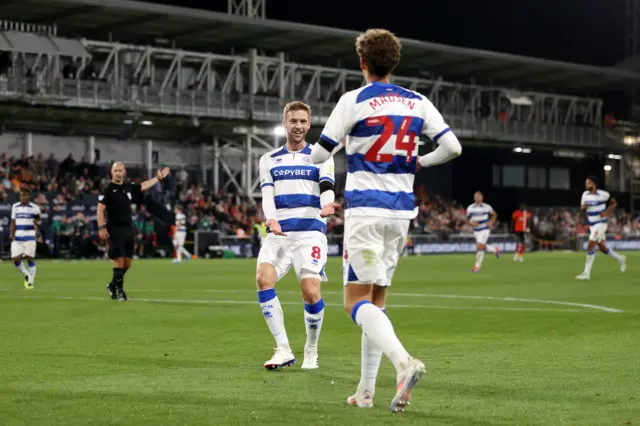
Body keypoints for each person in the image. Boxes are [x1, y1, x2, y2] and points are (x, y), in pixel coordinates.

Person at [309, 28, 462, 412]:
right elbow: (452, 147)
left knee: (353, 302)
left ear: (363, 63)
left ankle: (404, 362)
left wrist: (337, 142)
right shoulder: (417, 102)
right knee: (375, 301)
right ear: (395, 62)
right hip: (401, 211)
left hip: (366, 210)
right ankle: (365, 392)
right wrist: (419, 163)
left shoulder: (354, 100)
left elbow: (317, 155)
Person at [256, 100, 339, 371]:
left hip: (310, 233)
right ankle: (282, 349)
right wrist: (270, 218)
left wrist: (327, 203)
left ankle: (311, 349)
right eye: (293, 121)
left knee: (310, 292)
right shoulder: (268, 159)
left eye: (303, 121)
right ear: (284, 123)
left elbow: (326, 184)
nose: (299, 126)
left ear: (309, 123)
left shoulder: (321, 154)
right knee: (262, 278)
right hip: (279, 232)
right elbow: (267, 194)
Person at [97, 162, 170, 300]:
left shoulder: (128, 187)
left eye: (120, 170)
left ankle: (112, 285)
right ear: (112, 172)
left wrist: (157, 179)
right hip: (114, 229)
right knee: (118, 260)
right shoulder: (107, 190)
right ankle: (120, 292)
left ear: (124, 172)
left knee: (128, 263)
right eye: (115, 170)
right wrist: (101, 227)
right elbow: (100, 210)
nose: (118, 173)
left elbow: (143, 186)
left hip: (127, 228)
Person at [576, 175, 626, 280]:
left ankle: (586, 273)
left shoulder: (603, 194)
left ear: (593, 184)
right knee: (602, 248)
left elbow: (614, 203)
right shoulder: (585, 195)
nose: (586, 185)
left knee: (590, 245)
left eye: (588, 183)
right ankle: (620, 258)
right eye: (586, 183)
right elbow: (582, 209)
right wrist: (584, 208)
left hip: (601, 223)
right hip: (592, 224)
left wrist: (606, 212)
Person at [10, 188, 41, 289]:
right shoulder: (15, 206)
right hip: (18, 236)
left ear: (29, 196)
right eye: (21, 195)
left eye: (24, 195)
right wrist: (11, 233)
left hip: (30, 236)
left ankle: (30, 283)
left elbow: (38, 222)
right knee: (15, 259)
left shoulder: (35, 208)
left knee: (29, 258)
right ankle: (27, 275)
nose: (22, 197)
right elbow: (13, 221)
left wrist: (36, 221)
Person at [466, 191, 500, 272]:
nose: (476, 198)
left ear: (482, 197)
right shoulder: (470, 207)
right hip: (476, 231)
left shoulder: (487, 207)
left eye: (478, 196)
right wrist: (472, 222)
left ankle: (476, 267)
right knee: (480, 247)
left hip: (484, 229)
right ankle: (495, 250)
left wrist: (491, 221)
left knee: (479, 246)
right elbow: (467, 218)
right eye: (475, 196)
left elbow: (494, 214)